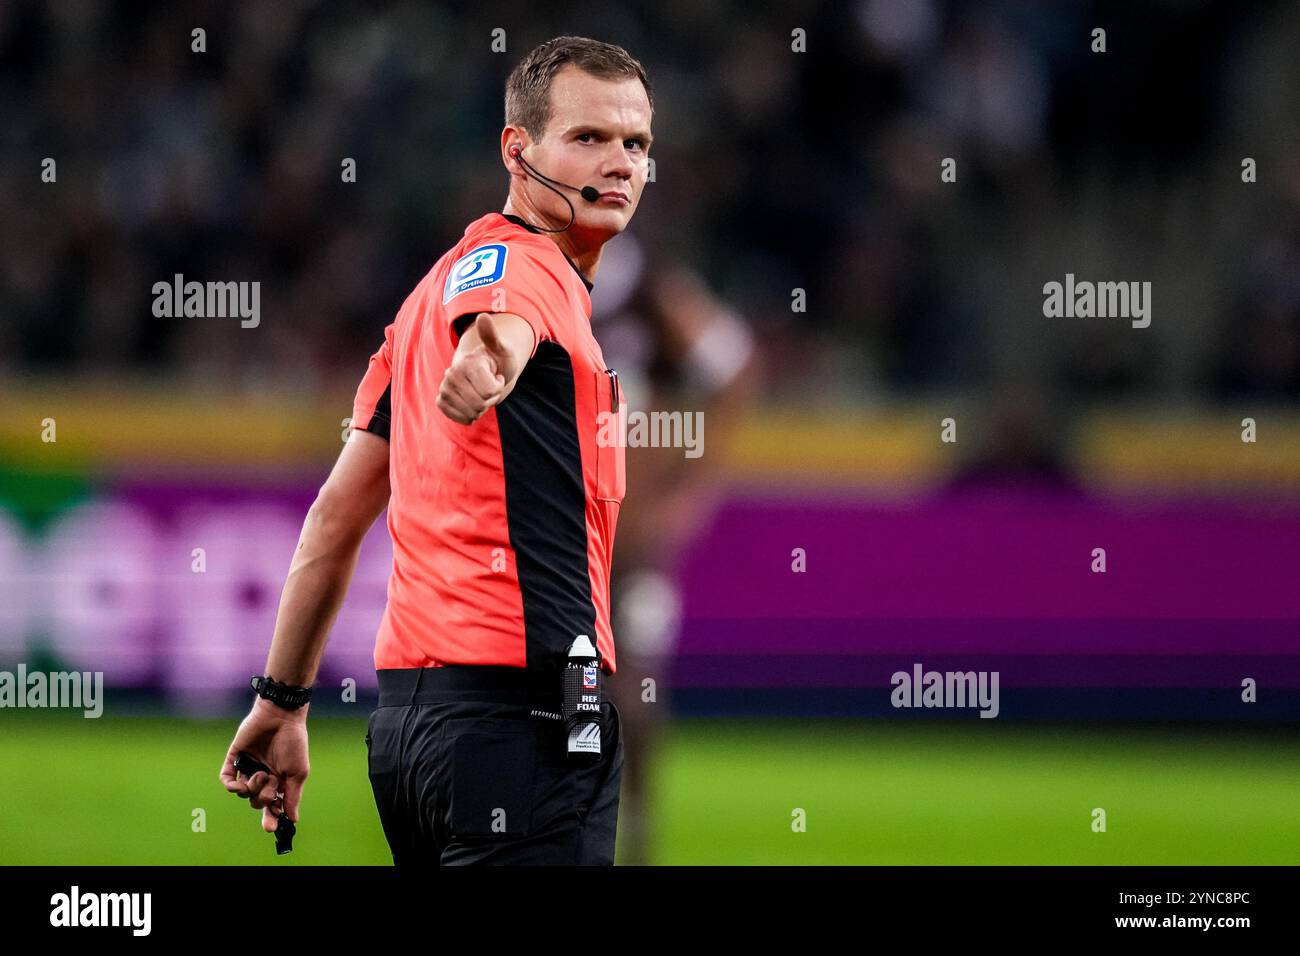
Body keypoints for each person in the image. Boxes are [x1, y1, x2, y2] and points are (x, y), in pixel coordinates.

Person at [220, 35, 655, 865]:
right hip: (529, 722)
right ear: (517, 150)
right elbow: (500, 327)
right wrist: (487, 360)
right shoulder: (530, 268)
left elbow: (335, 517)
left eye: (635, 143)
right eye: (589, 138)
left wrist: (281, 702)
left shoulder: (417, 306)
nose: (620, 163)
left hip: (414, 735)